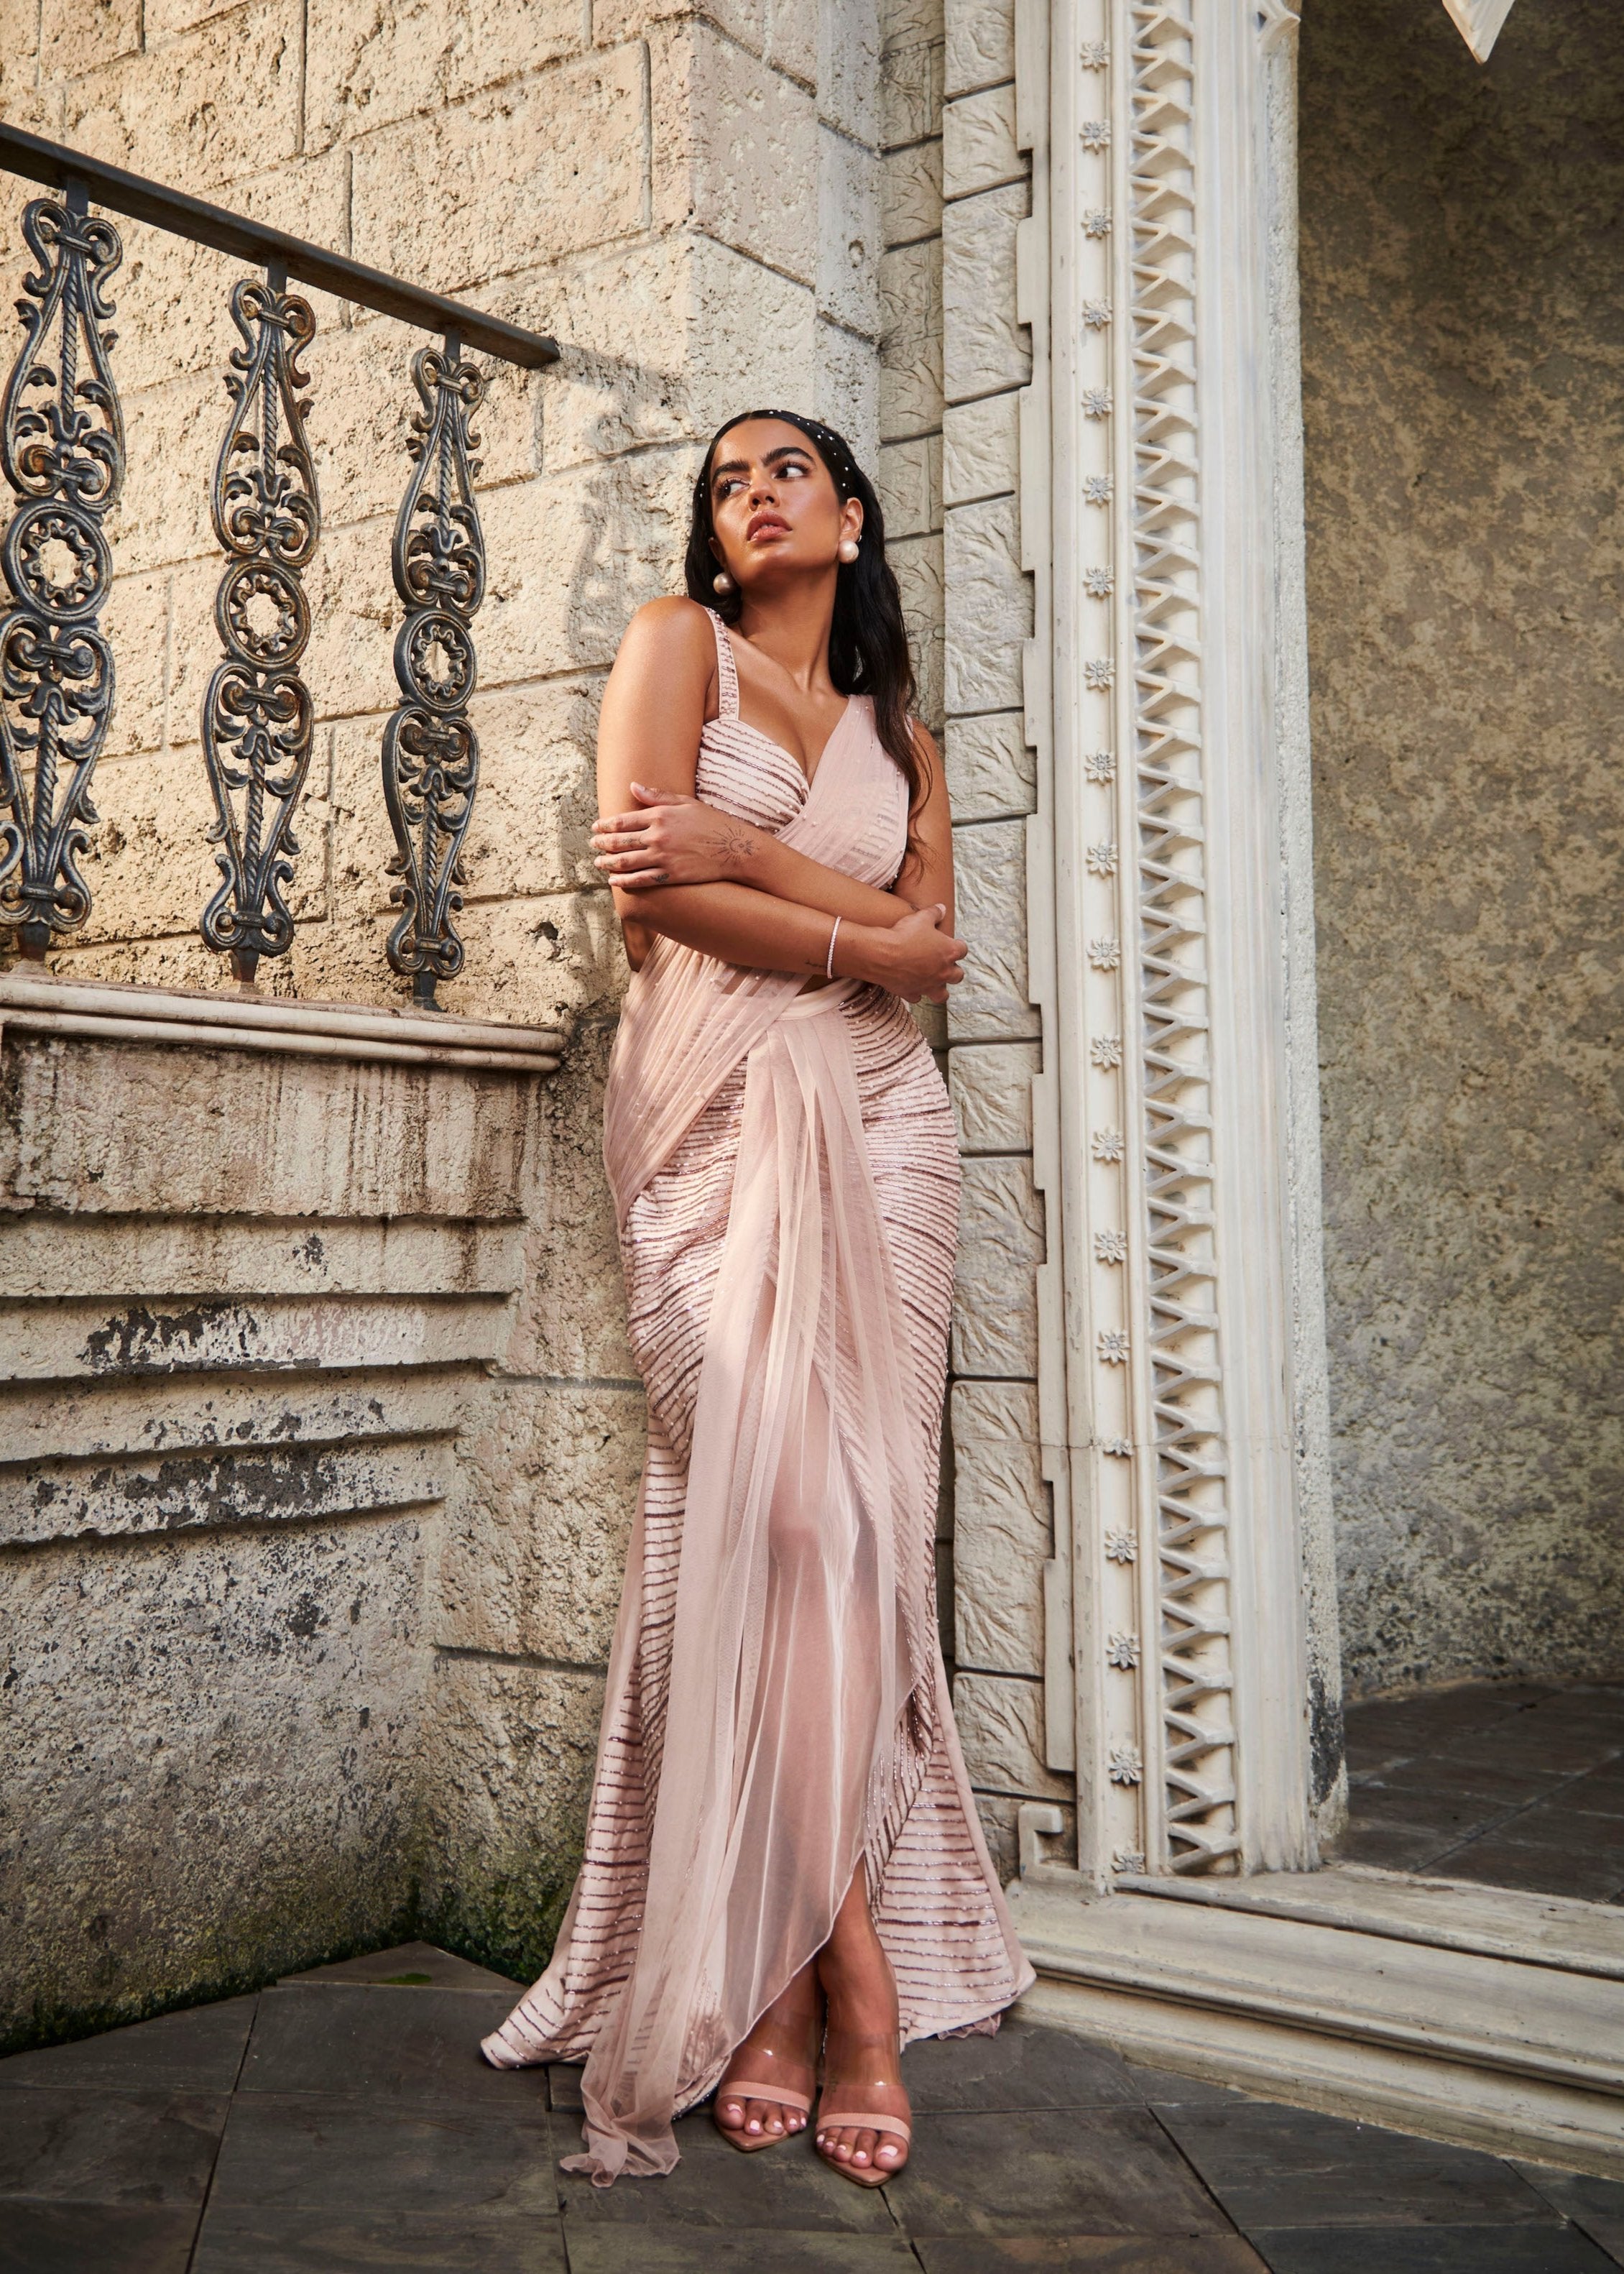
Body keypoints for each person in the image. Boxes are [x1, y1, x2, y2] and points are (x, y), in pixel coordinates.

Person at [481, 410, 1032, 2187]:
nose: (753, 493)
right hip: (708, 1115)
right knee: (774, 1514)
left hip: (885, 1126)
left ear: (851, 519)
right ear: (714, 539)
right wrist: (857, 919)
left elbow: (934, 966)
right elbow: (652, 896)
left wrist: (766, 864)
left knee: (859, 1533)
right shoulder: (673, 647)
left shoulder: (908, 739)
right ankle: (851, 1979)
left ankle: (794, 1990)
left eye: (786, 467)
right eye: (726, 482)